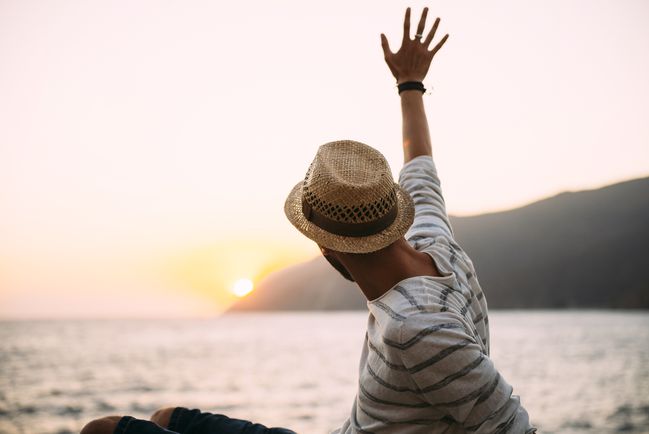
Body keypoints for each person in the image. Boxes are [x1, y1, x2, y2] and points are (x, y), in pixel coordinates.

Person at [81, 7, 535, 434]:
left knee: (101, 431)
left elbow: (510, 424)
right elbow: (420, 159)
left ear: (327, 248)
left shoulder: (414, 330)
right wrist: (409, 84)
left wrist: (410, 81)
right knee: (166, 418)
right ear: (394, 214)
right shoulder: (436, 242)